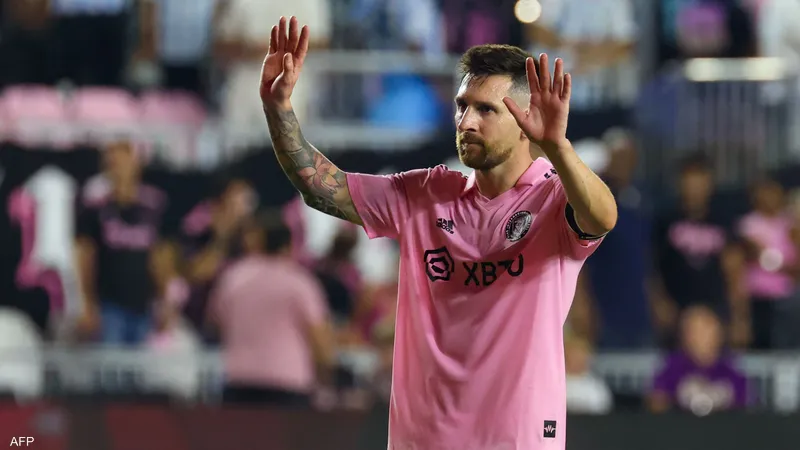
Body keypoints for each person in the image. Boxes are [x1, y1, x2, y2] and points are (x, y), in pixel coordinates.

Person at [262, 16, 617, 449]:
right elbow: (321, 188)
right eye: (462, 105)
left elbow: (603, 218)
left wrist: (558, 146)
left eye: (486, 110)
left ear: (526, 120)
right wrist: (278, 108)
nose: (466, 122)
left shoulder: (553, 199)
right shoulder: (426, 193)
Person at [208, 213, 335, 408]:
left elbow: (215, 322)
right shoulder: (299, 282)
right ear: (288, 246)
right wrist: (326, 376)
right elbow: (319, 340)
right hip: (288, 384)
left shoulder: (233, 278)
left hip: (239, 381)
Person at [648, 305, 748, 414]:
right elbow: (656, 404)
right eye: (692, 330)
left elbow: (747, 410)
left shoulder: (732, 371)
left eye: (705, 329)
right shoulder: (671, 368)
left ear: (720, 333)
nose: (698, 336)